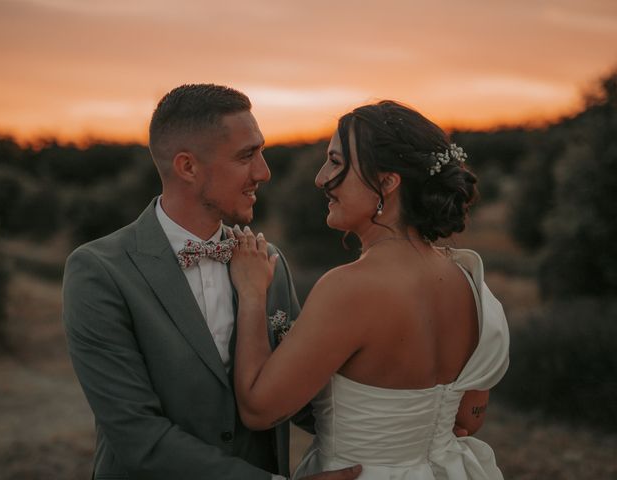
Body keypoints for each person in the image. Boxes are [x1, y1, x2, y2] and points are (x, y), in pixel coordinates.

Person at [62, 84, 361, 480]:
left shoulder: (268, 262)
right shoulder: (100, 272)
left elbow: (298, 395)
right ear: (187, 167)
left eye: (262, 151)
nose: (264, 172)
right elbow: (136, 435)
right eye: (246, 156)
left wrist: (408, 415)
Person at [228, 100, 510, 479]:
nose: (320, 178)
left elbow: (259, 409)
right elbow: (467, 419)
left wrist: (250, 294)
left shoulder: (349, 289)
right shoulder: (467, 280)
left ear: (388, 182)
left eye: (335, 161)